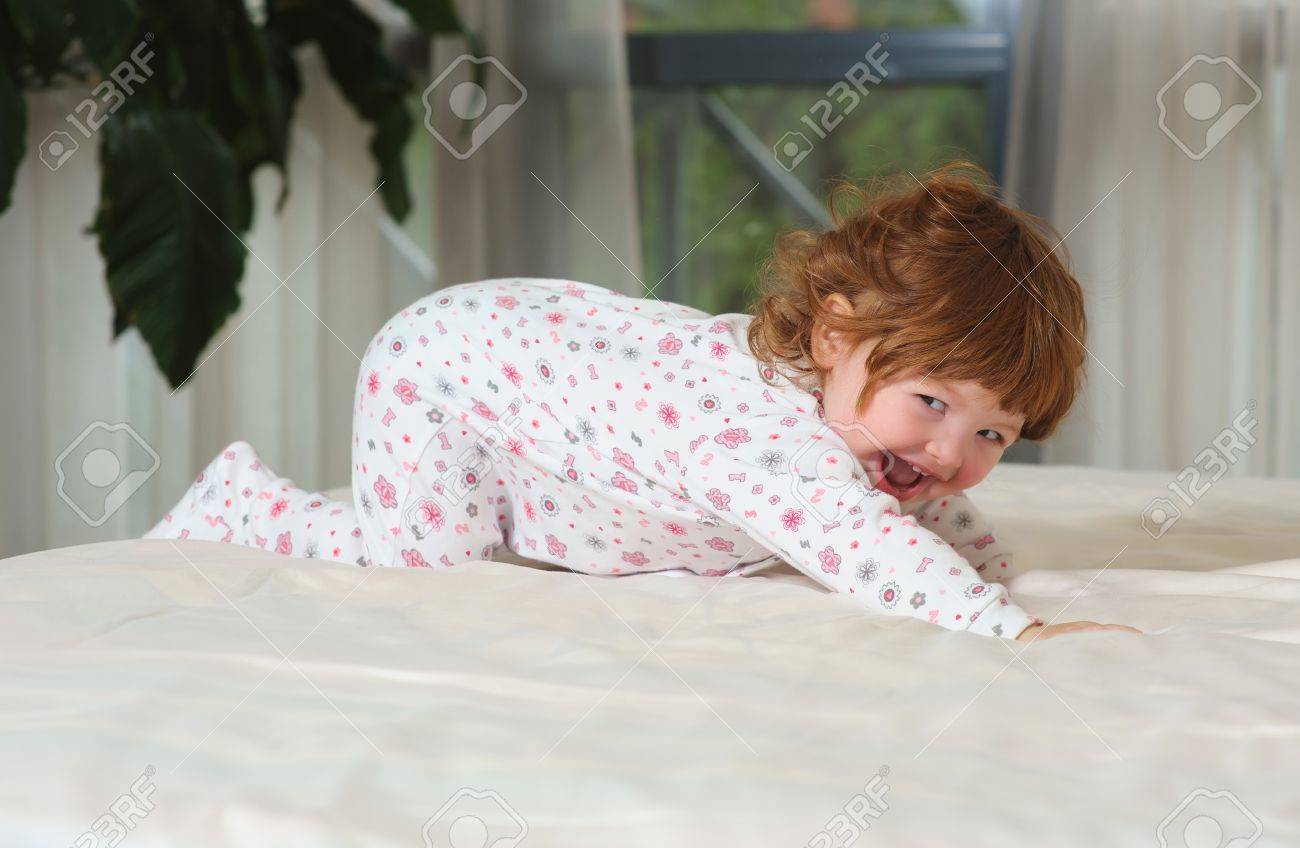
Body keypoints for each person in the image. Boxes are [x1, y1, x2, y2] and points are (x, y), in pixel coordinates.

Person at [145, 162, 1139, 643]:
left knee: (497, 537)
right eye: (932, 401)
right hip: (450, 371)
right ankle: (248, 507)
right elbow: (857, 542)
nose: (953, 450)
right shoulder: (766, 436)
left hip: (542, 395)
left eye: (995, 433)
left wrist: (991, 565)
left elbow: (916, 503)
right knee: (424, 561)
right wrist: (1001, 624)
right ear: (833, 338)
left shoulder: (879, 427)